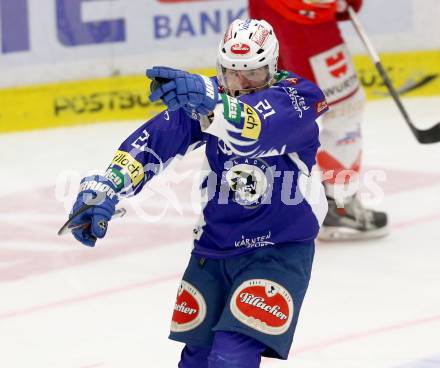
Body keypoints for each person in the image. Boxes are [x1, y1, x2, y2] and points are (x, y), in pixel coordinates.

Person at [66, 19, 329, 367]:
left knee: (229, 359)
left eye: (253, 73)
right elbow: (155, 140)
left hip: (277, 251)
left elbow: (254, 130)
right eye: (232, 73)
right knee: (196, 361)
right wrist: (107, 186)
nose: (241, 84)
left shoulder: (299, 98)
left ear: (273, 67)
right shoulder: (212, 99)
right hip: (214, 249)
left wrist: (211, 99)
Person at [248, 0, 389, 241]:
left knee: (275, 104)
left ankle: (257, 203)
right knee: (345, 108)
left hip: (272, 13)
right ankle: (339, 205)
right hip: (305, 15)